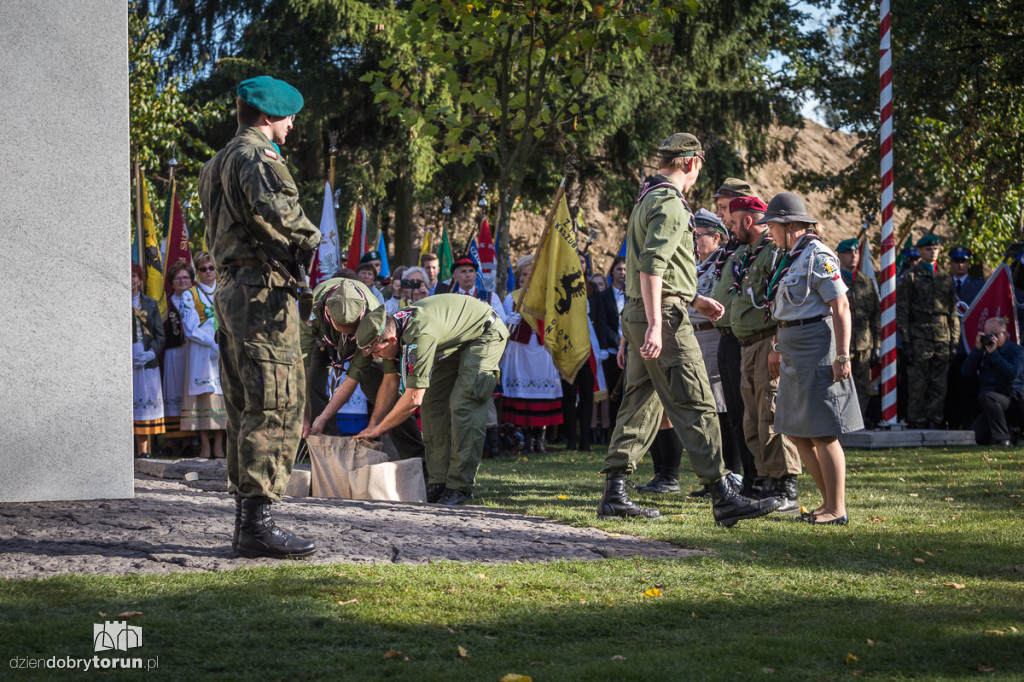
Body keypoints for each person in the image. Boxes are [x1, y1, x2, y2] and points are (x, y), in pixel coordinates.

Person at [596, 132, 780, 526]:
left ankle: (615, 491)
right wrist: (659, 325)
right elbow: (650, 266)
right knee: (696, 402)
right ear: (692, 163)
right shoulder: (672, 205)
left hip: (646, 310)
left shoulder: (648, 198)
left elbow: (658, 269)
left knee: (640, 402)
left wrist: (693, 300)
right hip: (661, 315)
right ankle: (722, 494)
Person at [198, 74, 321, 559]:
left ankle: (250, 523)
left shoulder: (216, 162)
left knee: (246, 404)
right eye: (288, 117)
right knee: (276, 402)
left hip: (231, 290)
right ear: (269, 117)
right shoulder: (259, 158)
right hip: (261, 294)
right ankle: (257, 524)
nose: (292, 126)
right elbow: (284, 219)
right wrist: (311, 243)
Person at [764, 192, 862, 525]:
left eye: (774, 226)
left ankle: (838, 508)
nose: (770, 232)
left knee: (822, 431)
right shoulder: (789, 258)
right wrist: (777, 346)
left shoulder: (819, 256)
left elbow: (841, 306)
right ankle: (826, 503)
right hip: (792, 346)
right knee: (795, 430)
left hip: (817, 345)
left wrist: (843, 354)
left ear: (790, 225)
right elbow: (783, 309)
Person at [353, 295, 509, 505]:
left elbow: (414, 398)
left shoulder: (418, 335)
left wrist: (380, 429)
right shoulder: (393, 333)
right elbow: (390, 383)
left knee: (463, 404)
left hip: (483, 334)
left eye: (376, 352)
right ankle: (438, 481)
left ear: (390, 340)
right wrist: (372, 425)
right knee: (432, 405)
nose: (375, 358)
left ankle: (459, 486)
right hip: (452, 341)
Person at [727, 194, 802, 514]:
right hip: (747, 345)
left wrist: (776, 345)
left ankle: (786, 484)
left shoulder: (774, 254)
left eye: (732, 221)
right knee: (752, 419)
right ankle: (765, 482)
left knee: (772, 413)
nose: (730, 228)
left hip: (766, 342)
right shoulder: (749, 255)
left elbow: (781, 301)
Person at [300, 276, 424, 460]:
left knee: (386, 393)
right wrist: (302, 415)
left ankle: (417, 458)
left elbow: (353, 377)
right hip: (322, 340)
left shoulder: (372, 314)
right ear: (327, 312)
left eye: (351, 326)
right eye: (341, 326)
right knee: (310, 385)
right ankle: (324, 457)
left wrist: (325, 415)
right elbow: (300, 368)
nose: (346, 331)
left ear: (360, 315)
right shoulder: (312, 310)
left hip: (366, 342)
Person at [708, 178, 759, 494]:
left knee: (751, 414)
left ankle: (758, 478)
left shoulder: (755, 244)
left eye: (725, 207)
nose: (722, 214)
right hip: (726, 338)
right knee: (734, 415)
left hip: (748, 338)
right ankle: (745, 477)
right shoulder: (730, 245)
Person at [896, 234, 960, 429]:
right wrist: (906, 342)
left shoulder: (945, 278)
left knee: (939, 383)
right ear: (920, 251)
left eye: (935, 249)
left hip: (942, 335)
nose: (932, 252)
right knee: (918, 382)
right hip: (919, 336)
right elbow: (903, 312)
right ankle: (917, 421)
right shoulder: (910, 277)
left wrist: (954, 341)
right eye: (928, 249)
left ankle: (935, 419)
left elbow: (952, 312)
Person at [501, 255, 563, 454]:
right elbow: (502, 327)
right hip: (520, 351)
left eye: (531, 274)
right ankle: (527, 439)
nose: (527, 277)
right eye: (525, 274)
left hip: (543, 350)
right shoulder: (512, 297)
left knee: (543, 392)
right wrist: (511, 321)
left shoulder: (549, 296)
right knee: (523, 392)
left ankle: (541, 438)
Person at [179, 251, 226, 459]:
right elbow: (189, 328)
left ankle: (220, 444)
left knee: (222, 396)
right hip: (201, 351)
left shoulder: (225, 291)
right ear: (197, 272)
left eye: (211, 268)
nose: (208, 272)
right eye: (203, 269)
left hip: (224, 349)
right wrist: (211, 341)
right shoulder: (190, 295)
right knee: (203, 396)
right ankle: (205, 443)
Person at [836, 238, 880, 427]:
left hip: (863, 344)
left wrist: (877, 345)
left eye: (855, 252)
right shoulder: (834, 279)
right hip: (840, 344)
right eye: (848, 252)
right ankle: (840, 423)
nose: (853, 256)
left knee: (863, 387)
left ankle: (857, 423)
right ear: (839, 255)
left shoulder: (867, 282)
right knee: (839, 385)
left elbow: (876, 316)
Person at [962, 316, 1024, 446]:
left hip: (1012, 401)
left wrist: (994, 353)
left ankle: (1003, 439)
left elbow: (1011, 374)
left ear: (1004, 334)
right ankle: (1011, 432)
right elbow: (966, 371)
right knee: (976, 436)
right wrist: (977, 349)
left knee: (988, 396)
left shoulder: (1016, 351)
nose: (990, 338)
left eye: (994, 334)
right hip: (990, 406)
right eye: (987, 334)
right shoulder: (983, 351)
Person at [946, 245, 985, 429]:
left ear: (968, 263)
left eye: (963, 261)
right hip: (946, 342)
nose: (960, 265)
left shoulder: (979, 284)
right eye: (956, 261)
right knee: (949, 385)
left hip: (970, 344)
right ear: (951, 263)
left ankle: (969, 421)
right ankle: (952, 422)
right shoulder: (943, 283)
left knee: (969, 385)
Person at [131, 264, 165, 458]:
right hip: (125, 362)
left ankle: (143, 450)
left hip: (147, 360)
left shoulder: (150, 303)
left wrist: (151, 353)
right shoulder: (114, 302)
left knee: (143, 406)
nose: (131, 280)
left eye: (134, 276)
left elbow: (160, 335)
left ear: (141, 280)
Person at [162, 261, 193, 454]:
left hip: (192, 352)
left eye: (186, 277)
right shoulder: (166, 302)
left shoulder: (197, 299)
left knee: (189, 393)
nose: (182, 281)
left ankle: (189, 442)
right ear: (172, 282)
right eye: (178, 278)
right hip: (173, 352)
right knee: (173, 393)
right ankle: (169, 441)